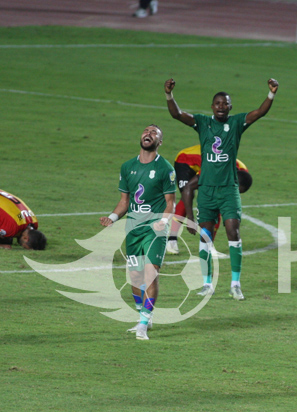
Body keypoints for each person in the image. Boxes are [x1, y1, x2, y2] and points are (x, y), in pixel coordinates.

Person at [164, 77, 278, 301]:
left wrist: (271, 94)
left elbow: (259, 113)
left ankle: (235, 284)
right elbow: (177, 114)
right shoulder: (203, 122)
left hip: (228, 189)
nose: (222, 106)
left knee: (233, 232)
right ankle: (207, 284)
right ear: (212, 107)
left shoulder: (236, 123)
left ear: (230, 106)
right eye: (218, 103)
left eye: (225, 103)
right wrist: (169, 95)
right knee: (205, 237)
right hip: (206, 190)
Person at [99, 124, 176, 341]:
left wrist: (162, 222)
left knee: (150, 273)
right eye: (146, 131)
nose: (148, 134)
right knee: (135, 275)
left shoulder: (165, 169)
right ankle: (143, 314)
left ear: (159, 142)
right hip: (133, 228)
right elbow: (125, 201)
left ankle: (143, 323)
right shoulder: (127, 167)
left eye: (154, 133)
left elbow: (171, 203)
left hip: (155, 229)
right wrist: (112, 218)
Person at [166, 144, 253, 255]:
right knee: (187, 196)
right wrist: (190, 219)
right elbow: (188, 188)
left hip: (206, 162)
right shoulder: (217, 170)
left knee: (216, 202)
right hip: (186, 160)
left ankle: (208, 246)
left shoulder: (243, 172)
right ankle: (171, 240)